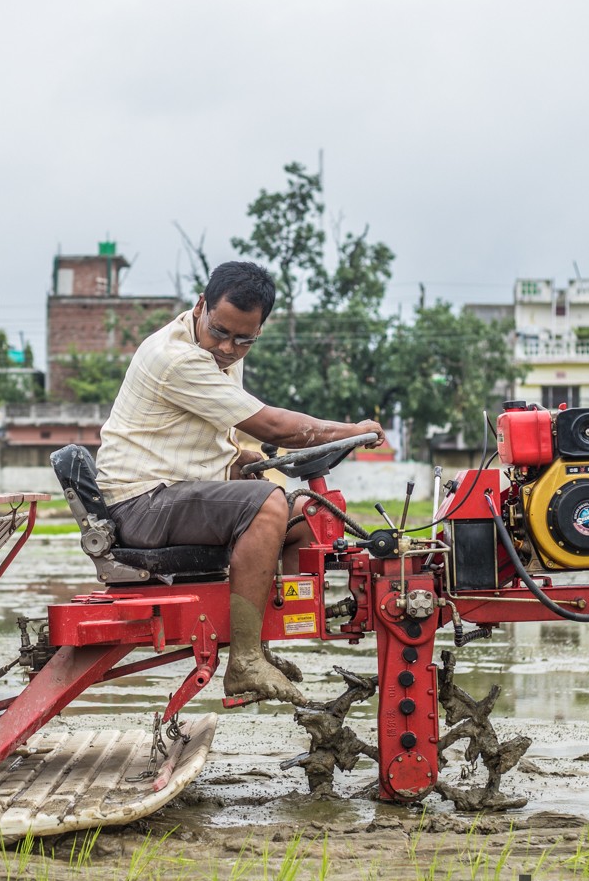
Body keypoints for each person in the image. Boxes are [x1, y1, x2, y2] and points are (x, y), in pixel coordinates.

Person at [94, 260, 385, 705]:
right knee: (267, 503)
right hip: (140, 504)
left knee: (309, 516)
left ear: (259, 331)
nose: (228, 348)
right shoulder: (178, 359)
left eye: (243, 339)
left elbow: (203, 433)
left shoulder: (217, 355)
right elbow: (274, 426)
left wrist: (234, 457)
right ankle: (244, 661)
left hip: (170, 493)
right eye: (220, 331)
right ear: (199, 307)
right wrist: (349, 430)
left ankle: (262, 642)